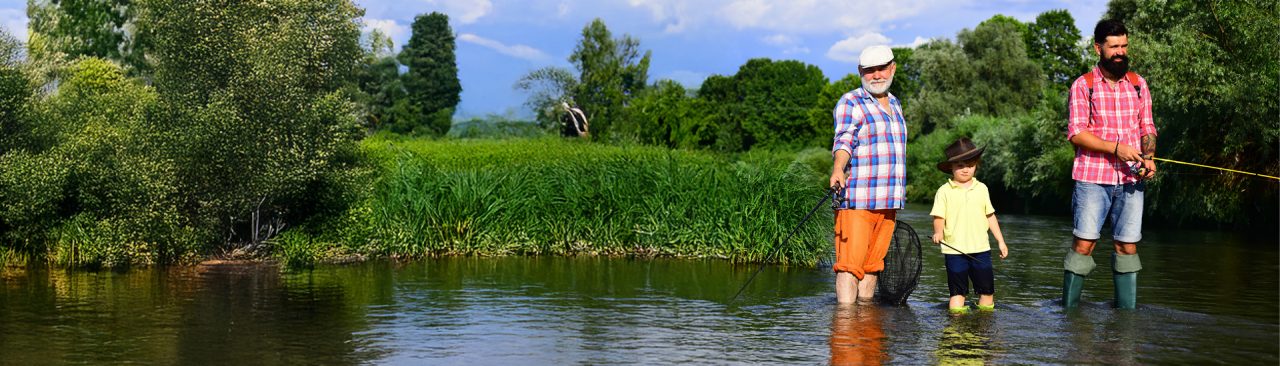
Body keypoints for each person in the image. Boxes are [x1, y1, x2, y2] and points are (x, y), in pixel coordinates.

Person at [1062, 19, 1157, 309]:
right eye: (1114, 46)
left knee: (1127, 246)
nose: (1120, 52)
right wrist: (1116, 148)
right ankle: (1068, 312)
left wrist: (1149, 158)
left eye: (1124, 46)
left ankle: (1126, 316)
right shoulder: (1083, 86)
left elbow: (1148, 128)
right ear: (1098, 47)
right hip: (1092, 178)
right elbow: (1076, 133)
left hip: (1131, 181)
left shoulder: (1139, 85)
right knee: (1084, 245)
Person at [829, 45, 907, 305]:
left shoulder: (895, 104)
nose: (876, 75)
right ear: (860, 72)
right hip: (857, 200)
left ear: (892, 68)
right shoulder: (851, 101)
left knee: (873, 267)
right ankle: (845, 333)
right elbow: (843, 140)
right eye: (869, 70)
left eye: (881, 68)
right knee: (849, 267)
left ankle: (864, 332)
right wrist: (839, 168)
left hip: (889, 202)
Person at [928, 138, 1008, 314]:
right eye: (960, 165)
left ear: (976, 165)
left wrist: (1000, 242)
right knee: (957, 292)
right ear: (951, 167)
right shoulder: (944, 191)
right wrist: (938, 232)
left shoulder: (982, 189)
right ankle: (956, 328)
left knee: (987, 291)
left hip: (981, 248)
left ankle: (984, 323)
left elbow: (990, 216)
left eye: (970, 165)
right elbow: (939, 216)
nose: (966, 169)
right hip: (954, 251)